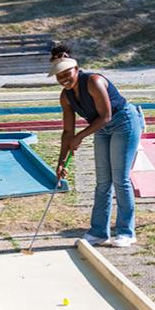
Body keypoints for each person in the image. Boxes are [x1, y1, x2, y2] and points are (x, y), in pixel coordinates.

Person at [49, 44, 144, 247]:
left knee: (120, 179)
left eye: (66, 73)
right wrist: (61, 162)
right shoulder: (65, 97)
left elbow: (106, 115)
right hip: (100, 128)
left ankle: (126, 232)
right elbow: (67, 132)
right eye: (59, 75)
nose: (63, 78)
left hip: (124, 123)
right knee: (102, 182)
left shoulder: (93, 81)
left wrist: (80, 137)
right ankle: (99, 232)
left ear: (76, 68)